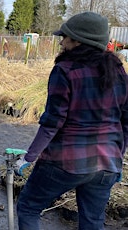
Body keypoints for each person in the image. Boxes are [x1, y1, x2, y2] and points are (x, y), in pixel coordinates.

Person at [14, 12, 128, 230]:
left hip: (66, 161)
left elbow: (53, 121)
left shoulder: (64, 70)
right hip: (108, 163)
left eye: (65, 37)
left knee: (29, 207)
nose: (62, 41)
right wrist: (118, 155)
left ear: (78, 40)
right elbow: (126, 121)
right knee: (93, 221)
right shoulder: (119, 72)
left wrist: (28, 157)